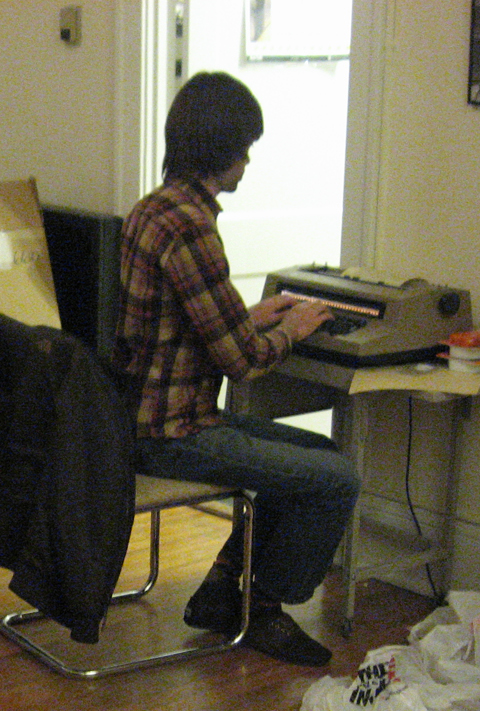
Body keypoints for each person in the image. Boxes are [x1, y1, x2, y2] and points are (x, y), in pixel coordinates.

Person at [111, 71, 359, 668]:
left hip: (147, 416)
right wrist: (293, 329)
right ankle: (265, 607)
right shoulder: (191, 228)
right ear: (220, 150)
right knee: (336, 478)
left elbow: (183, 326)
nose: (248, 162)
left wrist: (249, 316)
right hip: (171, 434)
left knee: (316, 455)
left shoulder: (153, 209)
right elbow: (242, 362)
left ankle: (223, 588)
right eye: (244, 149)